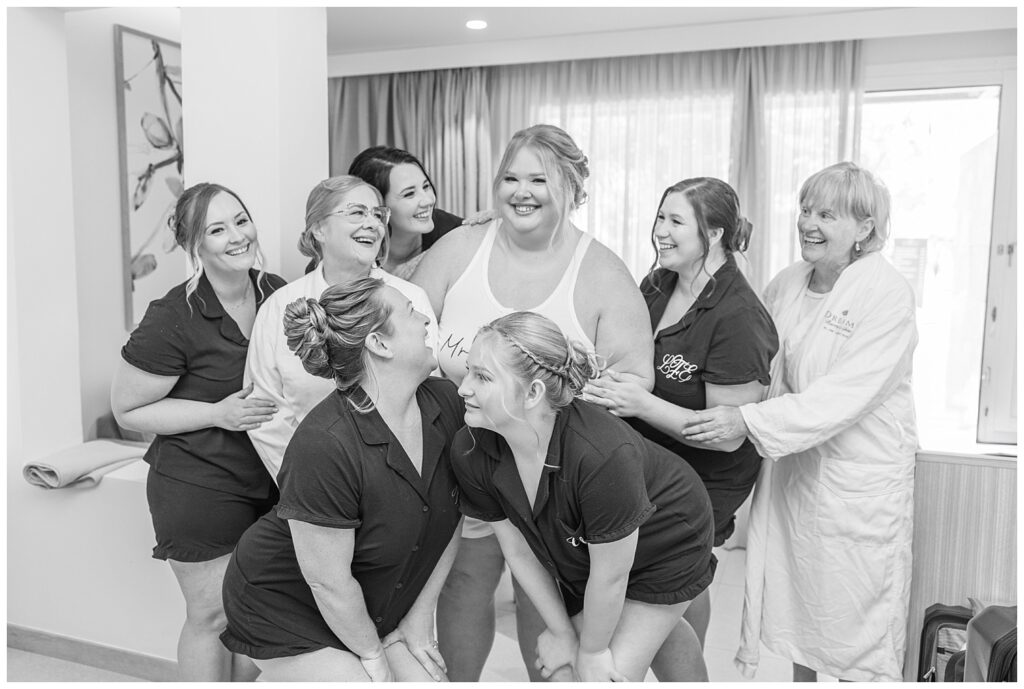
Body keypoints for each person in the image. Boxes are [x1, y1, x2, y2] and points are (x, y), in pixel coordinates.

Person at [412, 123, 655, 681]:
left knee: (537, 591)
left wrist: (559, 398)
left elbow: (636, 378)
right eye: (510, 177)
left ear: (569, 185)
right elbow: (408, 332)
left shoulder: (601, 271)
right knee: (465, 579)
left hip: (553, 469)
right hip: (458, 455)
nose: (521, 191)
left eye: (538, 179)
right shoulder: (459, 248)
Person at [680, 162, 918, 682]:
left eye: (826, 214)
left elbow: (842, 397)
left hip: (855, 484)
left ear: (865, 228)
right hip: (792, 477)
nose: (808, 222)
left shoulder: (886, 293)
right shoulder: (787, 282)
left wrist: (747, 419)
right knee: (797, 624)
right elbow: (759, 364)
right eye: (805, 209)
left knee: (857, 633)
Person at [220, 277, 465, 681]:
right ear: (379, 344)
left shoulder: (447, 404)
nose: (425, 320)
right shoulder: (324, 443)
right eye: (410, 312)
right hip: (285, 602)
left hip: (369, 599)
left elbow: (452, 513)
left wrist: (420, 619)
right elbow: (327, 582)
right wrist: (372, 657)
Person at [452, 312, 715, 681]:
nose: (463, 387)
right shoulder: (471, 448)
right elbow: (520, 553)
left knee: (599, 675)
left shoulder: (600, 454)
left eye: (481, 376)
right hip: (591, 553)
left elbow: (611, 577)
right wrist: (562, 633)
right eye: (468, 371)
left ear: (533, 394)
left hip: (666, 539)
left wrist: (592, 650)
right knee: (627, 638)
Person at [583, 177, 778, 654]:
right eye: (659, 217)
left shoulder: (739, 316)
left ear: (713, 234)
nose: (660, 232)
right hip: (648, 456)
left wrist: (642, 405)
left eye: (676, 221)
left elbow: (727, 436)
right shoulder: (656, 284)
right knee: (653, 584)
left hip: (707, 475)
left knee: (678, 582)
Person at [111, 182, 284, 681]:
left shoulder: (277, 291)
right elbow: (128, 411)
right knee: (212, 617)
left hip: (272, 481)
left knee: (259, 617)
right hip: (198, 484)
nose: (236, 236)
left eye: (241, 220)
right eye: (217, 229)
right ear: (195, 246)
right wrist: (216, 413)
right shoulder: (174, 315)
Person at [245, 175, 437, 480]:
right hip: (312, 479)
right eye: (357, 212)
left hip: (398, 479)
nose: (373, 223)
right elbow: (266, 413)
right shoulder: (281, 307)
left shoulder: (412, 300)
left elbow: (429, 393)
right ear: (319, 228)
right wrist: (310, 481)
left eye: (378, 214)